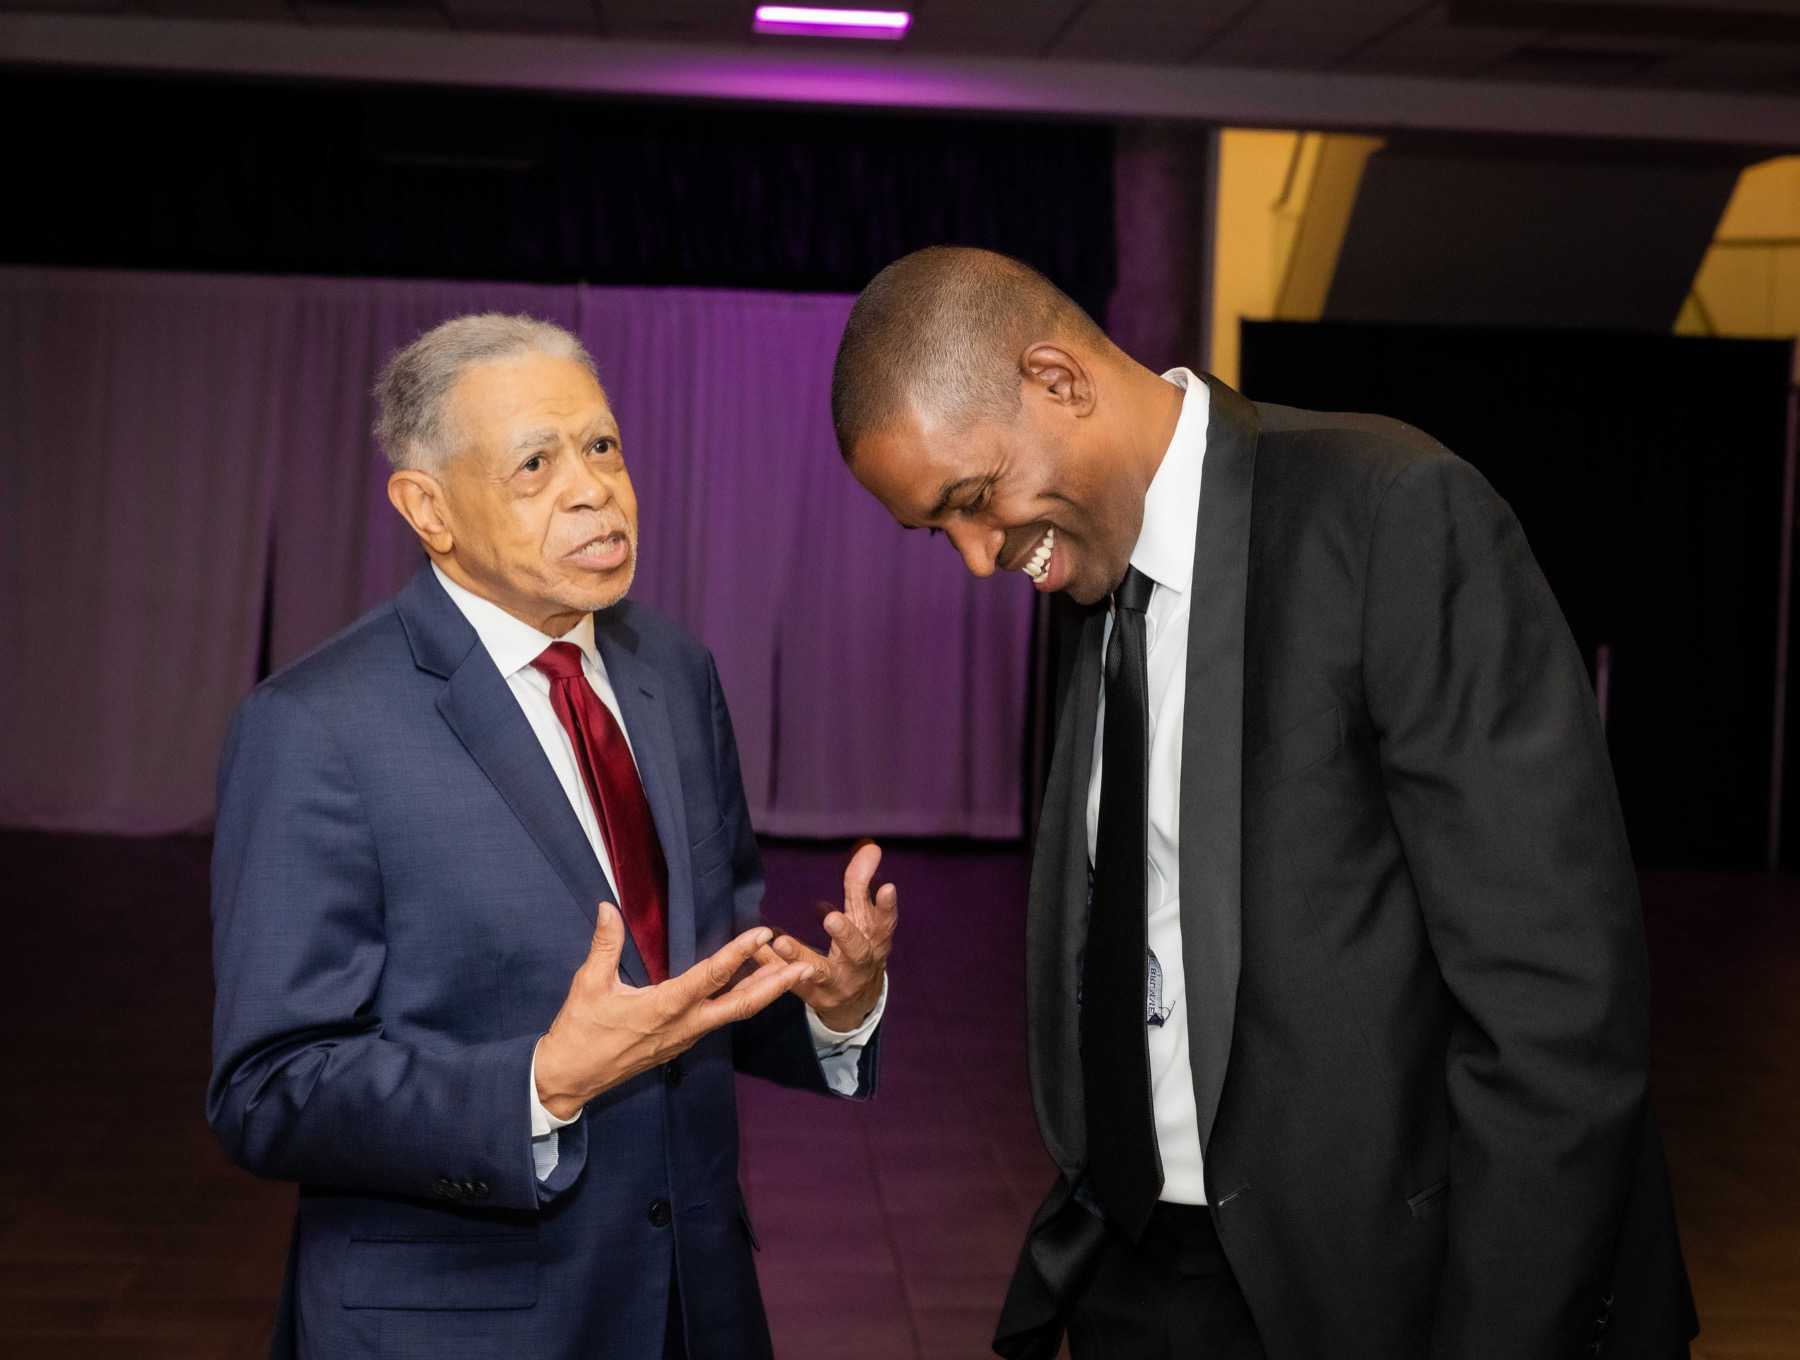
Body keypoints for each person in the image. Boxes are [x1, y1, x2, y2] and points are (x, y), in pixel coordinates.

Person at [830, 247, 1694, 1359]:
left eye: (971, 500)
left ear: (1057, 379)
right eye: (936, 531)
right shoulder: (1092, 575)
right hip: (1140, 1269)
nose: (978, 558)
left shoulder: (1390, 513)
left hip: (1383, 1292)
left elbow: (1556, 1009)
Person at [208, 313, 897, 1359]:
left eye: (602, 446)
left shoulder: (674, 672)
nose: (593, 490)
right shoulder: (315, 726)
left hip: (695, 1309)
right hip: (465, 1328)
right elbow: (267, 1090)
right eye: (536, 463)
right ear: (428, 508)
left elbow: (693, 974)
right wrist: (539, 1084)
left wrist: (831, 1011)